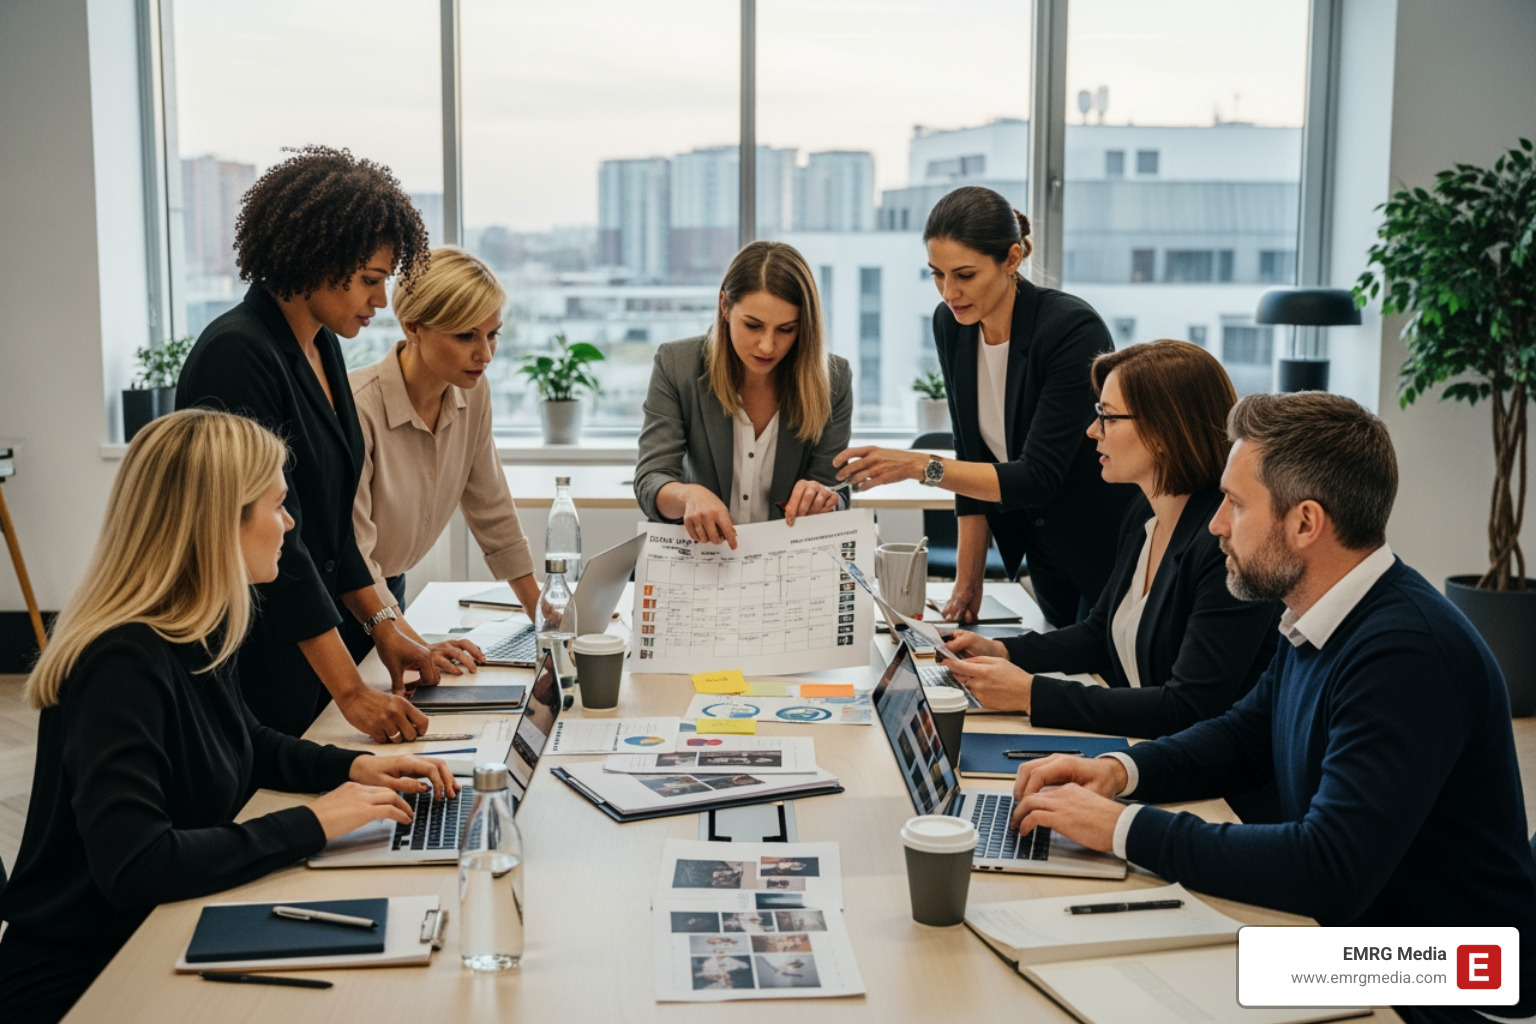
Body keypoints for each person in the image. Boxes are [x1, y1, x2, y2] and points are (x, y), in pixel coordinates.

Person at [1009, 392, 1536, 1024]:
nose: (1216, 524)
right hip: (1364, 936)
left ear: (1305, 522)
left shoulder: (1406, 653)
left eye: (1235, 503)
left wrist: (1120, 829)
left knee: (1150, 985)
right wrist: (1122, 774)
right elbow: (1243, 735)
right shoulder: (1321, 610)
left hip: (1443, 978)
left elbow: (1326, 869)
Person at [0, 410, 458, 1024]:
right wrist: (314, 822)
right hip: (90, 979)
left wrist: (360, 769)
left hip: (155, 936)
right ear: (220, 523)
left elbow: (246, 744)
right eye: (276, 505)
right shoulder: (120, 663)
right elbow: (137, 866)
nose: (289, 523)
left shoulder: (190, 626)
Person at [176, 145, 438, 741]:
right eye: (370, 281)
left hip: (314, 638)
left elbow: (331, 525)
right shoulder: (237, 355)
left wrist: (384, 626)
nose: (381, 301)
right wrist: (350, 689)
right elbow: (278, 539)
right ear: (317, 257)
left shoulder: (321, 344)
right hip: (257, 643)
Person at [943, 340, 1282, 738]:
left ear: (1162, 430)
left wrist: (1030, 694)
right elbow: (1098, 633)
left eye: (1107, 417)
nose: (1092, 431)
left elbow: (1187, 707)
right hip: (1148, 749)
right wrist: (1003, 652)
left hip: (1217, 788)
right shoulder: (1143, 513)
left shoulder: (1225, 542)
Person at [832, 186, 1134, 626]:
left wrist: (920, 466)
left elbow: (1036, 477)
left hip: (1101, 545)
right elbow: (972, 451)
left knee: (1100, 680)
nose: (948, 292)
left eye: (965, 275)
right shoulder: (953, 326)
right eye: (937, 274)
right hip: (1043, 552)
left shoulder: (1071, 329)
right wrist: (967, 581)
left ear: (1012, 259)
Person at [344, 246, 541, 672]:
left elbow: (490, 505)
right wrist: (418, 645)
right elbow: (354, 553)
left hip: (389, 588)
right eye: (466, 336)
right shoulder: (357, 408)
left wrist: (544, 614)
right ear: (412, 327)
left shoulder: (473, 391)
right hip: (342, 600)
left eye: (493, 335)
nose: (485, 355)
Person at [634, 240, 853, 548]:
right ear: (725, 306)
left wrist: (825, 499)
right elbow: (650, 480)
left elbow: (837, 490)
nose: (767, 346)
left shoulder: (834, 380)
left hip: (788, 564)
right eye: (753, 325)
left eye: (786, 329)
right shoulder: (677, 365)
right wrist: (688, 496)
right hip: (702, 561)